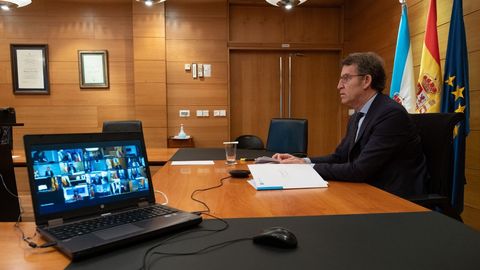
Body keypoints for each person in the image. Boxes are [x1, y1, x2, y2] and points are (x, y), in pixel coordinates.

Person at [273, 52, 428, 198]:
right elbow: (339, 157)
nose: (339, 85)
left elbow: (360, 170)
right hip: (366, 189)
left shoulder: (390, 114)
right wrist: (302, 161)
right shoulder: (358, 115)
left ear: (366, 81)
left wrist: (306, 168)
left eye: (346, 78)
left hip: (393, 197)